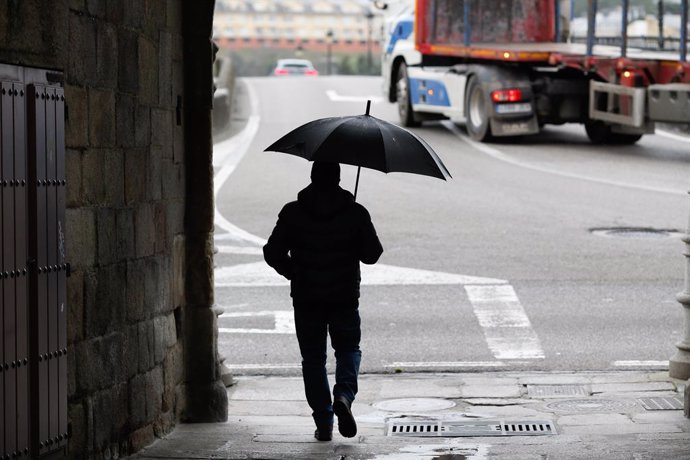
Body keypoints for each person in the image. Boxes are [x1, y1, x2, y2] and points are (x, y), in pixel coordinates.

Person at [263, 161, 383, 441]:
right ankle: (344, 394)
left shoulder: (292, 212)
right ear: (339, 179)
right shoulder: (355, 213)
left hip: (306, 297)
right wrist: (355, 227)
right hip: (344, 296)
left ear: (312, 177)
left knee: (313, 360)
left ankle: (324, 422)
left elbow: (272, 252)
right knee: (348, 349)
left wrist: (291, 270)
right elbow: (372, 254)